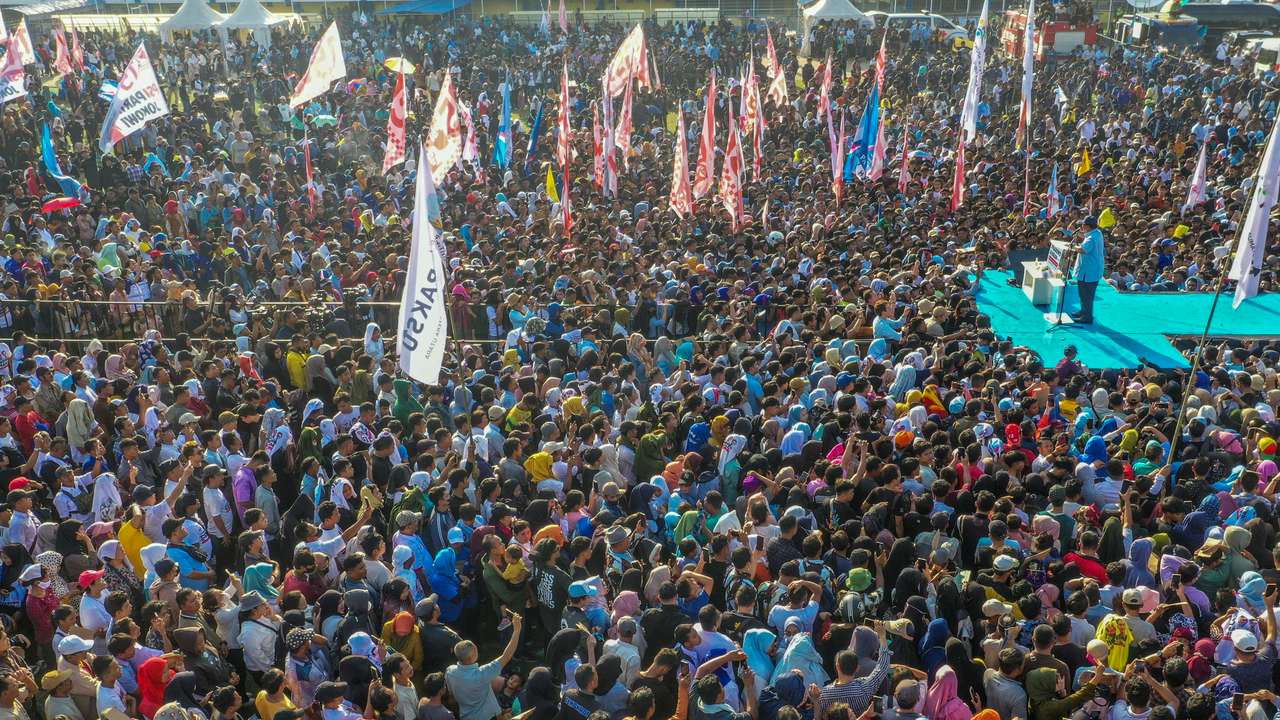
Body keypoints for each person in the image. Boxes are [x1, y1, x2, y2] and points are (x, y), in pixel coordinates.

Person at [444, 611, 522, 720]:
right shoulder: (481, 674)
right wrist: (517, 630)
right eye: (475, 650)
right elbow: (507, 655)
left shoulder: (450, 671)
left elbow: (451, 696)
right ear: (472, 657)